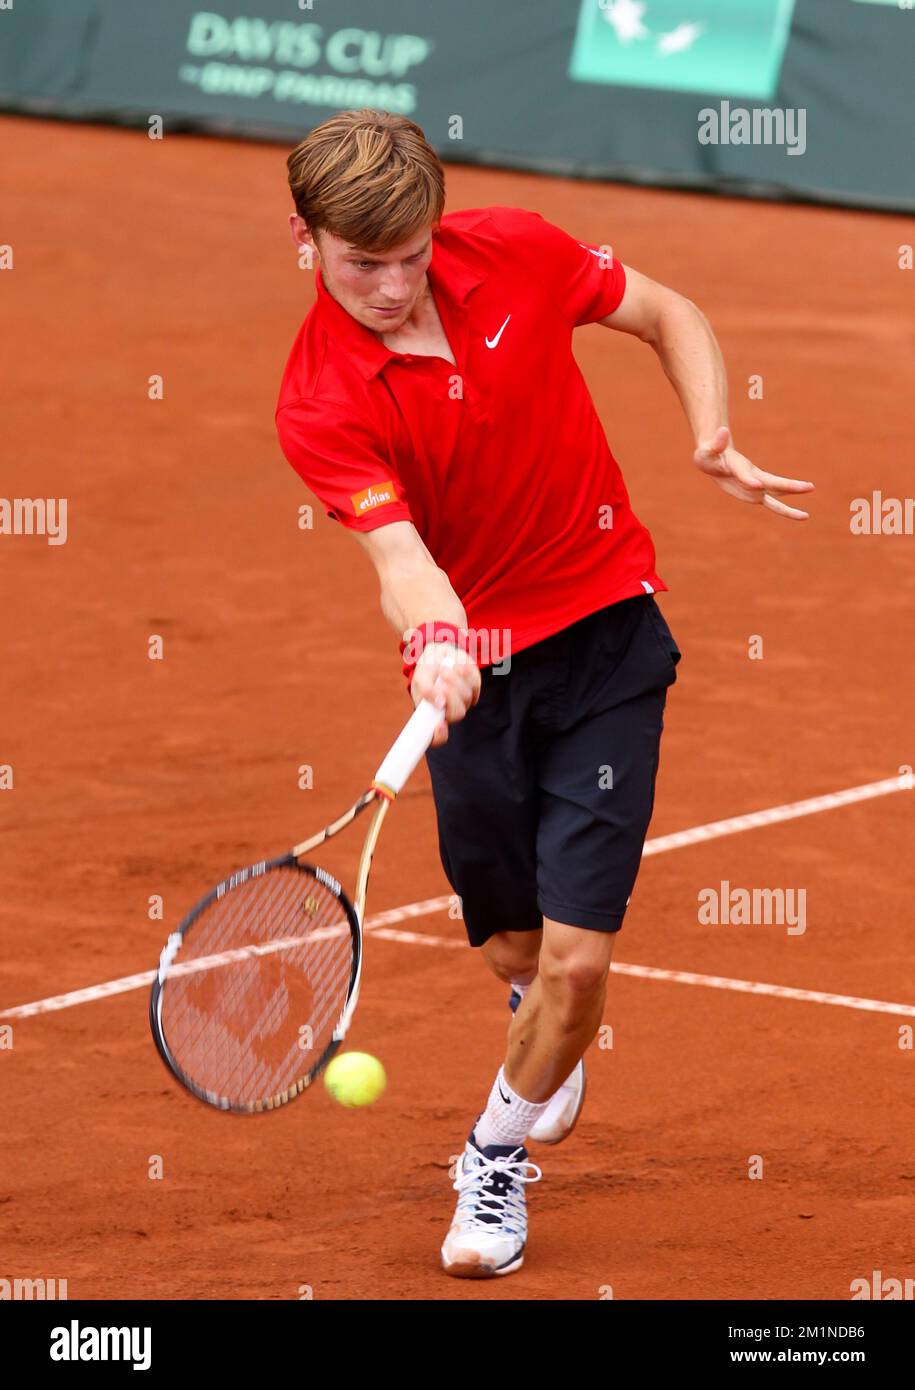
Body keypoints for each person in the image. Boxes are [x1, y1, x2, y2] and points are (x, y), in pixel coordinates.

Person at [275, 108, 813, 1279]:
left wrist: (710, 430)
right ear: (305, 239)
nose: (394, 283)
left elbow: (666, 310)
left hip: (610, 636)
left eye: (412, 253)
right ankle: (540, 1036)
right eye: (363, 262)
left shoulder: (511, 246)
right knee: (516, 946)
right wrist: (436, 638)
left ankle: (494, 1154)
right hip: (475, 678)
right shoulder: (320, 402)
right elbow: (400, 557)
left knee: (576, 964)